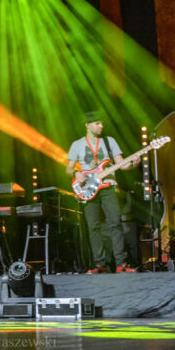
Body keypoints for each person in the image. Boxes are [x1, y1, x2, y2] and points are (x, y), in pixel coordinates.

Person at [66, 111, 139, 274]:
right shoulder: (77, 144)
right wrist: (76, 173)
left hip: (108, 186)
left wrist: (133, 164)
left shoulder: (109, 141)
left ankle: (121, 264)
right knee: (93, 226)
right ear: (87, 125)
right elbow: (68, 168)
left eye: (102, 123)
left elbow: (121, 164)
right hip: (88, 188)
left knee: (115, 223)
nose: (101, 126)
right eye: (97, 123)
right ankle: (100, 264)